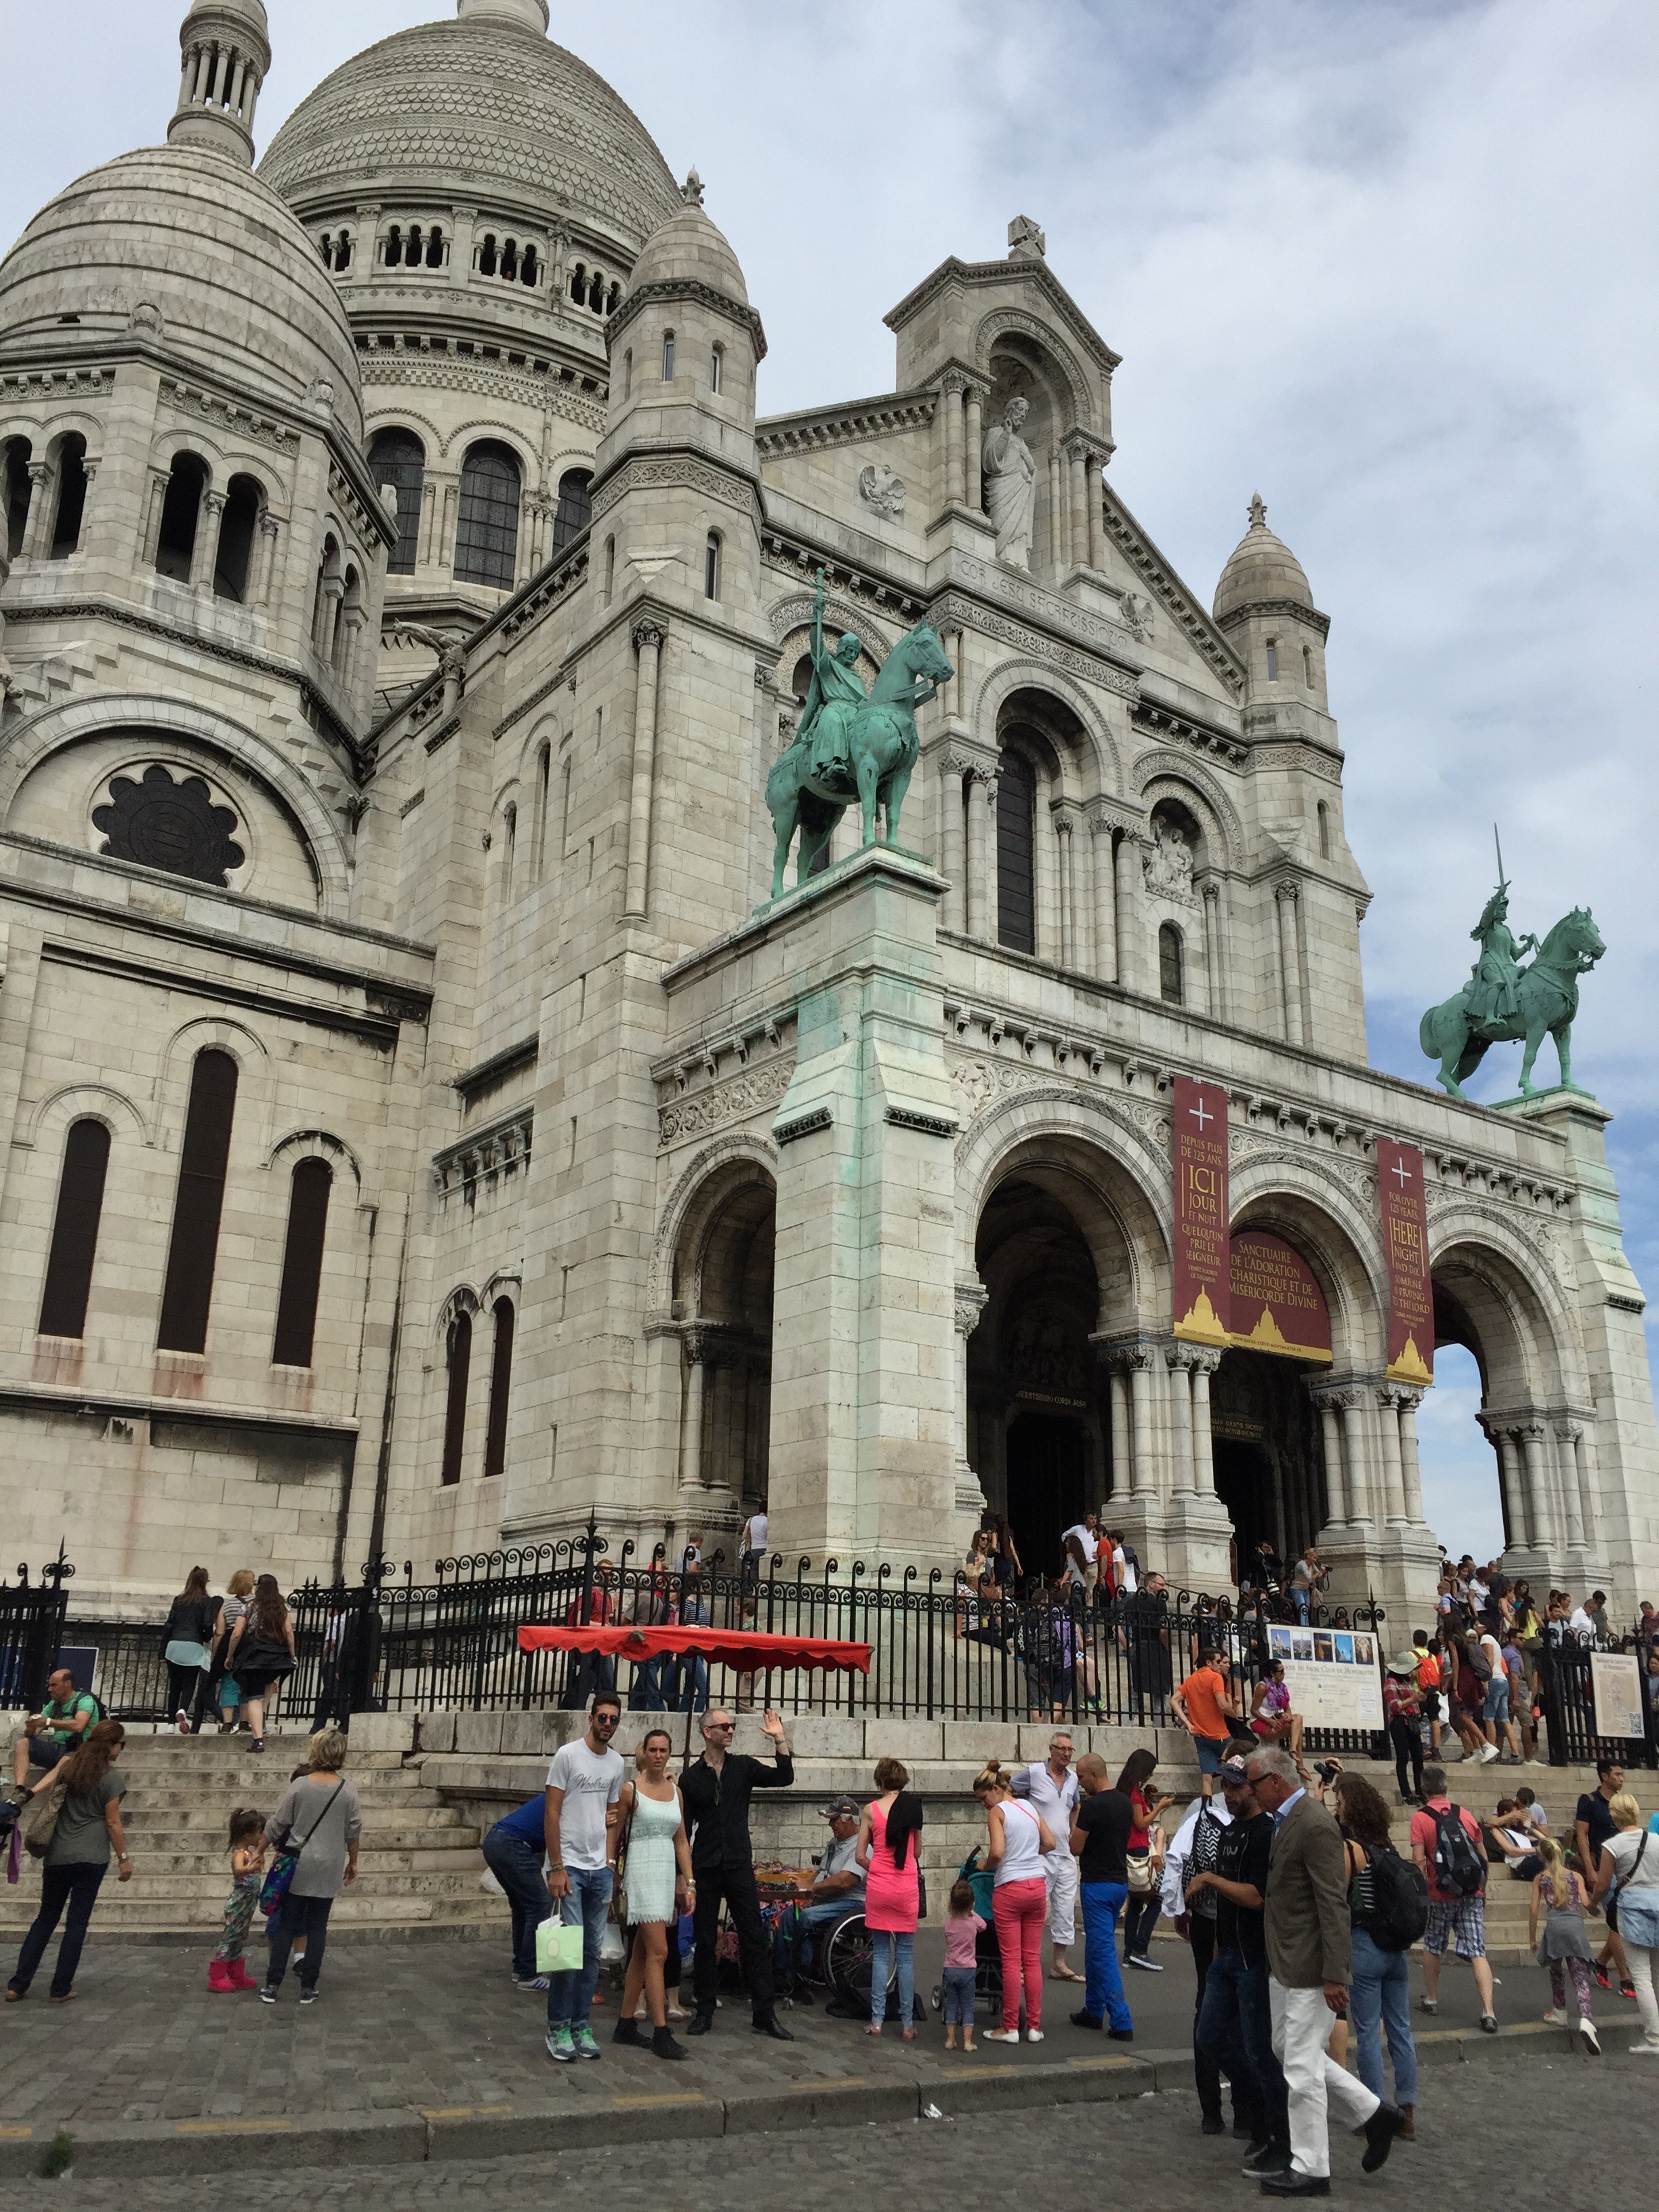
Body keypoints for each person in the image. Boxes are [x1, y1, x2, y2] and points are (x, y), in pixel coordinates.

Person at [1246, 1744, 1404, 2195]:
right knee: (1289, 2050)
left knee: (1299, 2068)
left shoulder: (1313, 1824)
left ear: (1275, 1782)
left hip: (1310, 1964)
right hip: (1288, 1959)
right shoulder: (1289, 1820)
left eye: (1256, 1783)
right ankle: (1375, 2113)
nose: (1252, 1792)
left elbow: (1332, 1902)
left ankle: (1312, 2166)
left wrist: (1336, 1972)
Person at [1188, 1753, 1290, 2179]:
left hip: (1251, 1956)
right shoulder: (1229, 1833)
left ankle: (1273, 2129)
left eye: (1237, 1787)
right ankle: (1256, 2105)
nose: (1230, 1795)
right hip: (1225, 1952)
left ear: (1253, 1787)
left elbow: (1255, 1896)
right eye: (1226, 1787)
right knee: (1209, 2035)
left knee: (1259, 2048)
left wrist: (1211, 1880)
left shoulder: (1264, 1833)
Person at [681, 1706, 795, 2041]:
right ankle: (704, 2009)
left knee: (754, 1938)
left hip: (738, 1863)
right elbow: (683, 1832)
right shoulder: (691, 1778)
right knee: (705, 1940)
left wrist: (780, 1739)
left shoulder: (743, 1766)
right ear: (707, 1732)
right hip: (705, 1865)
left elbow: (784, 1778)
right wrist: (683, 1877)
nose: (731, 1730)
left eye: (732, 1726)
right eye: (724, 1726)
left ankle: (764, 2012)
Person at [5, 1719, 131, 2003]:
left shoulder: (67, 1768)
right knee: (76, 1924)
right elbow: (113, 1822)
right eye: (120, 1745)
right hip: (92, 1856)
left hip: (58, 1853)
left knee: (45, 1919)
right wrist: (124, 1858)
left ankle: (18, 1984)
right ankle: (60, 1987)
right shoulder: (112, 1779)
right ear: (112, 1746)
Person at [1164, 1750, 1252, 2135]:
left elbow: (1175, 1860)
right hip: (1235, 1923)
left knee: (1209, 2005)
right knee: (1239, 2012)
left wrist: (1178, 1906)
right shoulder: (1259, 1815)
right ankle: (1243, 2111)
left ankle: (1211, 2110)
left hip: (1206, 1918)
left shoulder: (1201, 1813)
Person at [1329, 1772, 1418, 2137]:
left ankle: (1375, 2112)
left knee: (1367, 2032)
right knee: (1401, 2030)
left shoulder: (1351, 1847)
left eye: (1339, 1801)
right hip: (1396, 1946)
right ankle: (1408, 2113)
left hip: (1364, 1942)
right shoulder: (1388, 1847)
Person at [542, 1691, 626, 2062]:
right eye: (602, 1717)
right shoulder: (567, 1755)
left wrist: (610, 1861)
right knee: (567, 1951)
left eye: (613, 1719)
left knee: (592, 1951)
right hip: (570, 1864)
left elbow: (613, 1816)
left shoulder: (617, 1764)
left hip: (598, 1868)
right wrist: (556, 1866)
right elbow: (552, 1812)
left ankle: (581, 2023)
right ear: (590, 1719)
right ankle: (558, 2025)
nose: (607, 1724)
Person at [260, 1726, 361, 2004]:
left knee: (287, 1925)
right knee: (318, 1926)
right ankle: (308, 1985)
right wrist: (353, 1861)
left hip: (298, 1863)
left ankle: (272, 1983)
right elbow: (353, 1832)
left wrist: (259, 1850)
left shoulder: (300, 1786)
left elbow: (277, 1823)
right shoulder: (348, 1790)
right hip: (329, 1865)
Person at [612, 1727, 694, 2061]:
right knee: (659, 1951)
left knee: (642, 1954)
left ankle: (625, 2023)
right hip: (641, 1871)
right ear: (644, 1753)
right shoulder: (630, 1790)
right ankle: (661, 2030)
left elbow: (681, 1840)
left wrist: (689, 1882)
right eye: (653, 1750)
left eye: (663, 1750)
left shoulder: (676, 1791)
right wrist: (609, 1869)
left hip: (664, 1872)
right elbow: (615, 1832)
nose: (658, 1756)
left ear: (669, 1754)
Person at [1410, 1764, 1498, 2029]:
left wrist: (1421, 1893)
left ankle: (1433, 1998)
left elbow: (1418, 1860)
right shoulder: (1466, 1815)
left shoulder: (1420, 1819)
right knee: (1477, 1951)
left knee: (1434, 1944)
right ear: (1446, 1787)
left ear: (1424, 1790)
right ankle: (1488, 2011)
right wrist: (1482, 1889)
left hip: (1440, 1892)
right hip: (1472, 1891)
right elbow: (1483, 1857)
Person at [975, 1759, 1054, 2043]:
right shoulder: (1031, 1807)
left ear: (995, 1789)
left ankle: (1009, 2027)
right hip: (1037, 1885)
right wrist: (1029, 1854)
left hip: (1010, 1886)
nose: (983, 1804)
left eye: (983, 1798)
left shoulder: (998, 1812)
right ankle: (1033, 2027)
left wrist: (985, 1865)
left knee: (1011, 1961)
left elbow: (996, 1852)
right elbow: (1050, 1843)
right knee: (1032, 1960)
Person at [1067, 1752, 1134, 2039]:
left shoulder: (1092, 1807)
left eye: (1082, 1777)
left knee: (1104, 1951)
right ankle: (1093, 2009)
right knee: (1095, 1947)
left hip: (1096, 1884)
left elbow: (1075, 1847)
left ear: (1094, 1775)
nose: (1081, 1783)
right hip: (1119, 1882)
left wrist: (1074, 1820)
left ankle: (1121, 2020)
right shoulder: (1124, 1802)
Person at [1589, 1790, 1659, 2052]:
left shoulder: (1613, 1845)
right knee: (1656, 1974)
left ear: (1613, 1816)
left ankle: (1654, 2038)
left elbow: (1603, 1884)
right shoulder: (1655, 1840)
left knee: (1641, 1976)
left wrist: (1593, 1903)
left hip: (1633, 1910)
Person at [858, 1756, 922, 2036]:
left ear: (880, 1780)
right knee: (905, 1956)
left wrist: (879, 1869)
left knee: (882, 1954)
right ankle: (907, 2024)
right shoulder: (913, 1808)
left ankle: (877, 2021)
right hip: (906, 1884)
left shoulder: (870, 1810)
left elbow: (860, 1856)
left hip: (880, 1885)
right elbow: (916, 1852)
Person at [778, 1796, 865, 1998]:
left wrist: (813, 1889)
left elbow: (844, 1881)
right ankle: (783, 1973)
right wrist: (804, 1886)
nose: (830, 1824)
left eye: (835, 1820)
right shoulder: (834, 1843)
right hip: (830, 1899)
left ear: (849, 1820)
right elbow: (822, 1872)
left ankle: (803, 1977)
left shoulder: (861, 1846)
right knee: (791, 1913)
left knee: (807, 1918)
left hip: (852, 1903)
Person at [1014, 1731, 1081, 1981]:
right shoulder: (1033, 1773)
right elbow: (1008, 1792)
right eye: (1062, 1749)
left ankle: (1059, 1964)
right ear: (1051, 1749)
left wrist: (1073, 1832)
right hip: (1039, 1852)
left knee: (1065, 1910)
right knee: (1035, 1908)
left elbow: (1075, 1806)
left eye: (1070, 1750)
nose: (1066, 1754)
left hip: (1064, 1854)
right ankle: (1021, 1964)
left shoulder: (1073, 1779)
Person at [1530, 1833, 1599, 2053]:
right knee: (1580, 1977)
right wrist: (1595, 1906)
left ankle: (1560, 2010)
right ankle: (1586, 2018)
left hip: (1554, 1928)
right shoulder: (1575, 1877)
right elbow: (1587, 1903)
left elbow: (1533, 1910)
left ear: (1543, 1857)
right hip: (1575, 1927)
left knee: (1556, 1970)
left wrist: (1532, 1938)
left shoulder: (1541, 1879)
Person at [482, 1789, 555, 1992]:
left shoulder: (554, 1795)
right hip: (513, 1844)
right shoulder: (566, 1800)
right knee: (540, 1904)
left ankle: (521, 1966)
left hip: (497, 1840)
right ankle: (529, 1973)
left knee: (523, 1906)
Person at [1575, 1759, 1634, 1997]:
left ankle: (1600, 1962)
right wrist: (1590, 1869)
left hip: (1626, 1868)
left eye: (1622, 1775)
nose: (1621, 1778)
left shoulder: (1623, 1803)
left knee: (1619, 1923)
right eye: (1617, 1774)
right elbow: (1582, 1836)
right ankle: (1625, 1977)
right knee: (1618, 1922)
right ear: (1604, 1776)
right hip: (1603, 1865)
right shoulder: (1589, 1801)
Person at [223, 1573, 295, 1753]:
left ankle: (258, 1740)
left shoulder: (249, 1607)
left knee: (254, 1697)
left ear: (259, 1588)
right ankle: (260, 1722)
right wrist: (293, 1655)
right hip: (277, 1655)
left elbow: (237, 1633)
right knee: (268, 1684)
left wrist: (230, 1656)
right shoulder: (282, 1608)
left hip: (255, 1654)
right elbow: (288, 1633)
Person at [1118, 1747, 1176, 1970]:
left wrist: (1148, 1798)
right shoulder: (1133, 1793)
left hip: (1132, 1847)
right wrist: (1160, 1807)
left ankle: (1130, 1952)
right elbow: (1141, 1823)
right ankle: (1140, 1949)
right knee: (1155, 1898)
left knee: (1136, 1901)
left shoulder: (1130, 1790)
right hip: (1138, 1849)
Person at [7, 1668, 96, 1797]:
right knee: (22, 1743)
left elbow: (79, 1725)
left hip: (80, 1750)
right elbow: (33, 1734)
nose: (50, 1689)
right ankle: (19, 1789)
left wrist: (48, 1722)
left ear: (68, 1684)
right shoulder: (53, 1704)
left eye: (54, 1685)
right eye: (49, 1685)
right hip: (58, 1748)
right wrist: (32, 1726)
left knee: (66, 1760)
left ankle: (30, 1795)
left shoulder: (85, 1700)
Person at [208, 1807, 266, 1993]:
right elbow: (238, 1870)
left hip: (249, 1903)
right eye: (259, 1832)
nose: (262, 1836)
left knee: (241, 1937)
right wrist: (250, 1868)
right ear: (248, 1835)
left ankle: (235, 1971)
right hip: (239, 1902)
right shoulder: (239, 1854)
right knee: (230, 1936)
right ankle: (217, 1975)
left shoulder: (250, 1853)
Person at [1174, 1643, 1241, 1798]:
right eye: (1218, 1662)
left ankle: (1207, 1807)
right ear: (1209, 1663)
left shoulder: (1190, 1680)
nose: (1221, 1665)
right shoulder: (1215, 1677)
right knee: (1238, 1766)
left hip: (1201, 1735)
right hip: (1221, 1735)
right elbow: (1222, 1704)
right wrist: (1234, 1713)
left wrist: (1189, 1724)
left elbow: (1174, 1700)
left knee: (1207, 1776)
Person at [162, 1565, 222, 1734]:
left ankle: (170, 1725)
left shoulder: (179, 1599)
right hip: (193, 1644)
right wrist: (205, 1637)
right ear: (205, 1582)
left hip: (173, 1645)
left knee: (174, 1686)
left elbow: (169, 1625)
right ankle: (182, 1709)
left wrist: (162, 1651)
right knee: (189, 1684)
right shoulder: (206, 1601)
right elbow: (207, 1625)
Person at [1121, 1570, 1172, 1723]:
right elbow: (1163, 1631)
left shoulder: (1132, 1601)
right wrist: (1167, 1648)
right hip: (1155, 1646)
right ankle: (1158, 1723)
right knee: (1158, 1690)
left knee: (1136, 1688)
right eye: (1162, 1584)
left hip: (1138, 1646)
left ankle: (1127, 1723)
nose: (1165, 1588)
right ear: (1151, 1584)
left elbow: (1118, 1628)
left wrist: (1128, 1646)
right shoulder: (1159, 1604)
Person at [941, 1877, 985, 2051]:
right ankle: (967, 2042)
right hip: (968, 1969)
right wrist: (972, 1913)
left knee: (952, 2004)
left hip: (951, 1968)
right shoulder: (973, 1923)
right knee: (968, 2006)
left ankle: (950, 2040)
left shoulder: (948, 1925)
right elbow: (984, 1926)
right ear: (971, 1905)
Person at [211, 1568, 256, 1731]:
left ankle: (227, 1723)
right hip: (251, 1646)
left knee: (229, 1684)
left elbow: (220, 1632)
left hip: (231, 1645)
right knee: (247, 1684)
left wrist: (216, 1654)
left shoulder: (227, 1604)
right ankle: (244, 1722)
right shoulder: (257, 1604)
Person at [1382, 1653, 1425, 1804]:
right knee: (1403, 1757)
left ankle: (1420, 1791)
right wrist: (1412, 1699)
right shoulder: (1390, 1682)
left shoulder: (1406, 1683)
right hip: (1399, 1721)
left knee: (1419, 1757)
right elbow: (1395, 1706)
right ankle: (1406, 1793)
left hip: (1412, 1721)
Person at [1478, 1617, 1521, 1763]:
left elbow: (1489, 1659)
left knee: (1488, 1717)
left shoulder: (1485, 1638)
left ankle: (1491, 1752)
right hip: (1502, 1680)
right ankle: (1515, 1753)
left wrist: (1485, 1679)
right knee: (1504, 1719)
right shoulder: (1496, 1641)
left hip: (1494, 1680)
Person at [1250, 1659, 1306, 1769]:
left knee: (1298, 1718)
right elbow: (1254, 1710)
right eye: (1281, 1672)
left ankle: (1293, 1749)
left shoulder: (1282, 1687)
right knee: (1297, 1729)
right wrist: (1269, 1720)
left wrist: (1288, 1715)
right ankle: (1300, 1765)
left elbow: (1288, 1710)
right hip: (1261, 1721)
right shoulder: (1262, 1687)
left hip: (1275, 1719)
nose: (1283, 1674)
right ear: (1272, 1673)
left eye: (1284, 1671)